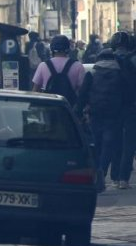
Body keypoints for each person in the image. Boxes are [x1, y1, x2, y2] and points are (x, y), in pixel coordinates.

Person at [76, 48, 126, 192]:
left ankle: (98, 172)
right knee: (110, 143)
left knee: (97, 143)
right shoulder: (120, 74)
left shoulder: (92, 73)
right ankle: (104, 171)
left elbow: (83, 95)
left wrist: (78, 112)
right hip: (114, 114)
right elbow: (126, 95)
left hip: (95, 113)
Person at [112, 31, 136, 189]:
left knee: (115, 141)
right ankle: (123, 178)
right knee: (129, 142)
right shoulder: (133, 60)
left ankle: (113, 176)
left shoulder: (106, 59)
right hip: (132, 105)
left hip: (112, 106)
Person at [32, 35, 84, 105]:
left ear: (51, 48)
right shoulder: (78, 66)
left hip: (48, 108)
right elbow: (82, 91)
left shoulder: (43, 65)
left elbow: (35, 91)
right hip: (69, 109)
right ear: (68, 48)